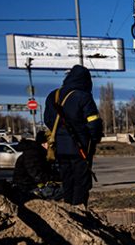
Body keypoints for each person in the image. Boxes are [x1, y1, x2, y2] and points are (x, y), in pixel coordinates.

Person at [43, 64, 103, 206]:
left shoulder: (53, 95)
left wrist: (60, 133)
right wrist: (93, 139)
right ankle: (80, 210)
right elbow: (94, 123)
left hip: (59, 147)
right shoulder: (83, 96)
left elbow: (47, 120)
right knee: (81, 181)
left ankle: (69, 209)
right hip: (80, 147)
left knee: (67, 179)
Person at [11, 131, 61, 201]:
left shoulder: (40, 153)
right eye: (50, 144)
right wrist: (58, 178)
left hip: (32, 186)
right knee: (63, 190)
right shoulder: (32, 154)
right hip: (27, 188)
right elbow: (38, 175)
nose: (53, 147)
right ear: (44, 144)